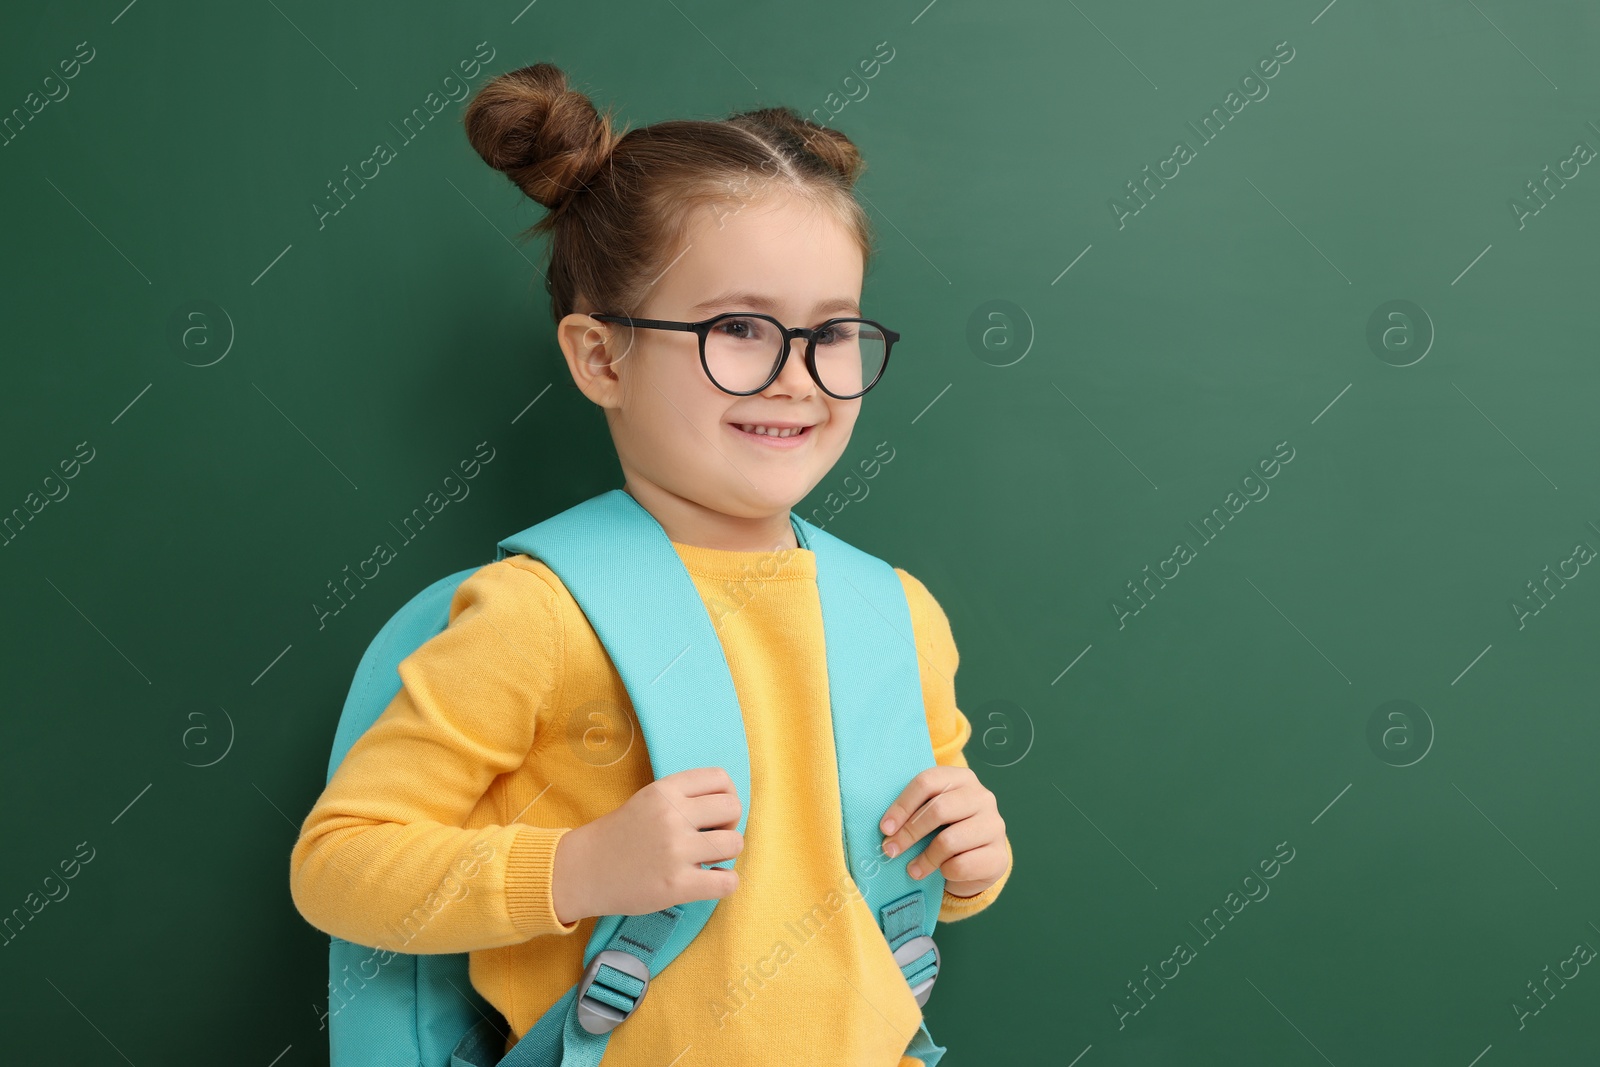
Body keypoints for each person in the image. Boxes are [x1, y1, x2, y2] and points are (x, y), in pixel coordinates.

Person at [288, 61, 1013, 1066]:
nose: (798, 375)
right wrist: (579, 868)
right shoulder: (537, 616)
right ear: (601, 358)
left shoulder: (899, 613)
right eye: (741, 328)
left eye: (832, 331)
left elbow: (885, 870)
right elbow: (338, 865)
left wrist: (970, 862)